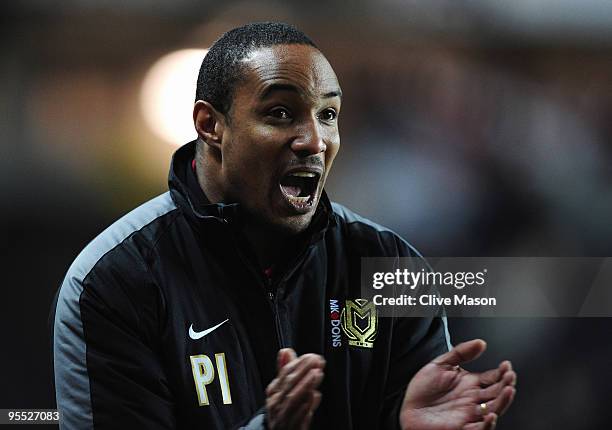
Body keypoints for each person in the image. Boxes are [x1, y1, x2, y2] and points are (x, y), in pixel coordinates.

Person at [51, 22, 516, 429]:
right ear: (210, 125)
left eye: (328, 115)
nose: (314, 140)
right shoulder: (116, 281)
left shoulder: (390, 265)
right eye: (280, 113)